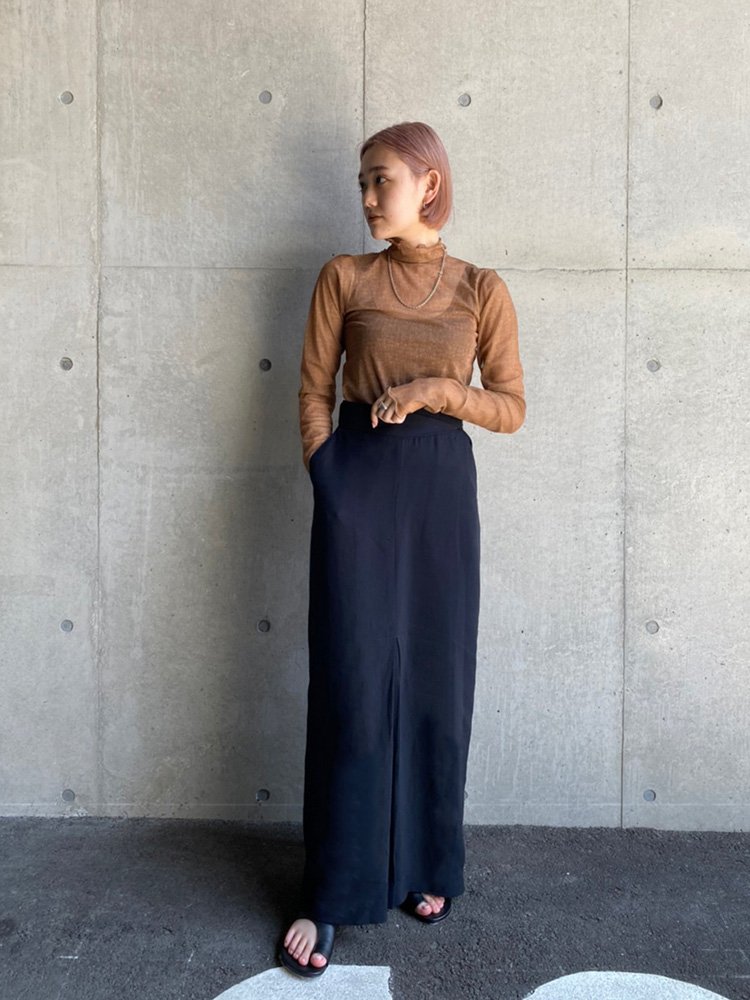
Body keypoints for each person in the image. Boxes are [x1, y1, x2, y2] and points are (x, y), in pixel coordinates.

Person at [278, 121, 525, 978]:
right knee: (351, 683)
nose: (367, 196)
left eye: (380, 179)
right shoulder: (344, 277)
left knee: (435, 682)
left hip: (441, 495)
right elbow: (313, 388)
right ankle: (332, 890)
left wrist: (437, 390)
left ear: (429, 183)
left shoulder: (481, 288)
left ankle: (426, 863)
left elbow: (511, 407)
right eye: (361, 182)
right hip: (359, 488)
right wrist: (328, 474)